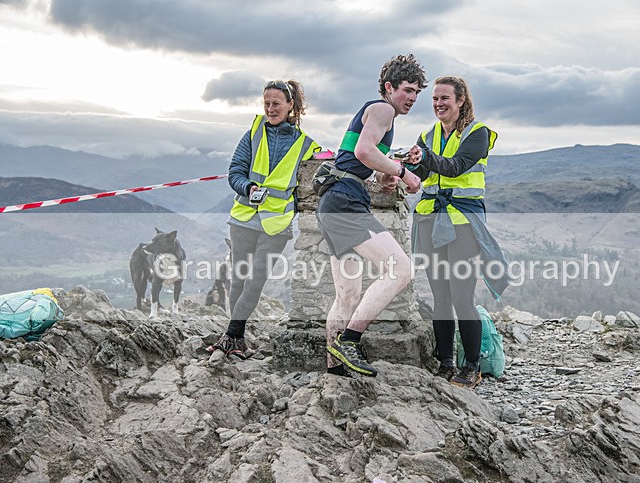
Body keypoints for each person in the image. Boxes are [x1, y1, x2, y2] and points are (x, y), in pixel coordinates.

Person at [317, 54, 427, 377]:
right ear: (389, 87)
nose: (412, 98)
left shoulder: (373, 113)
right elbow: (365, 151)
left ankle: (335, 369)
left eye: (417, 93)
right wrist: (404, 172)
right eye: (407, 90)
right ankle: (350, 340)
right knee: (402, 269)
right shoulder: (383, 110)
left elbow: (355, 159)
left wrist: (383, 177)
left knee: (347, 295)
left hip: (332, 203)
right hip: (345, 203)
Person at [208, 80, 320, 359]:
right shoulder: (253, 133)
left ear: (291, 105)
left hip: (277, 224)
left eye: (276, 104)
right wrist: (248, 187)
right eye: (266, 103)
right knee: (238, 279)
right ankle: (237, 337)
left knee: (256, 280)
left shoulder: (307, 145)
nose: (270, 109)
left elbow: (326, 167)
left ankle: (230, 337)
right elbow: (235, 171)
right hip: (244, 217)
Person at [409, 75, 508, 389]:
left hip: (463, 223)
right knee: (440, 296)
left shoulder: (478, 134)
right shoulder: (427, 135)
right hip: (429, 220)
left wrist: (425, 157)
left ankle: (472, 366)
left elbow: (455, 166)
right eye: (435, 99)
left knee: (462, 296)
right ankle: (445, 362)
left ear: (461, 100)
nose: (439, 104)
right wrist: (408, 164)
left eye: (445, 98)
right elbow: (422, 173)